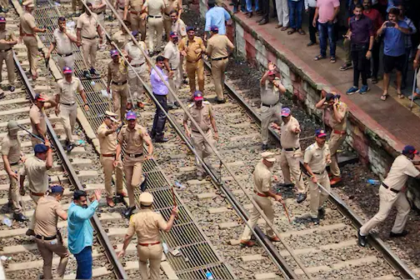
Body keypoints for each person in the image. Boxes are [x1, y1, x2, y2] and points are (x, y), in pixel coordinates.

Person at [358, 146, 420, 247]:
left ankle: (396, 231)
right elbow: (418, 175)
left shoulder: (400, 158)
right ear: (408, 154)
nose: (414, 155)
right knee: (381, 216)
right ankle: (362, 232)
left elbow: (410, 164)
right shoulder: (406, 164)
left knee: (405, 208)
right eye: (413, 154)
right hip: (389, 192)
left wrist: (417, 163)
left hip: (396, 191)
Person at [118, 192, 178, 280]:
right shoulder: (156, 216)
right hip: (156, 247)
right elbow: (167, 228)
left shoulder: (134, 217)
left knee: (142, 262)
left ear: (140, 203)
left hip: (142, 247)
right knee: (155, 271)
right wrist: (172, 215)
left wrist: (123, 249)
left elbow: (128, 235)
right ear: (151, 204)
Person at [239, 152, 282, 247]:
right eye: (270, 162)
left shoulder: (259, 164)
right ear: (265, 160)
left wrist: (271, 178)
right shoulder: (266, 174)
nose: (272, 164)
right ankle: (270, 234)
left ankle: (245, 238)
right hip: (263, 198)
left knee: (253, 217)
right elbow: (265, 190)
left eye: (272, 162)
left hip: (256, 194)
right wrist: (275, 196)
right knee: (270, 216)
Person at [116, 111, 154, 218]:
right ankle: (132, 205)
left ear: (136, 120)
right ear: (127, 120)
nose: (132, 122)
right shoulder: (123, 130)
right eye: (130, 120)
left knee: (134, 183)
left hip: (138, 159)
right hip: (127, 158)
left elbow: (149, 143)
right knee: (128, 184)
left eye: (133, 120)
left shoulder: (140, 130)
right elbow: (119, 143)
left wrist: (149, 154)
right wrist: (116, 157)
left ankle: (142, 178)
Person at [34, 185, 69, 280]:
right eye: (61, 196)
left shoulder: (41, 200)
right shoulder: (56, 204)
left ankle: (47, 278)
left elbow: (45, 193)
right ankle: (58, 277)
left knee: (47, 262)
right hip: (51, 241)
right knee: (65, 255)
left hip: (38, 239)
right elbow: (64, 216)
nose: (61, 198)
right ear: (57, 195)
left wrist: (52, 187)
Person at [271, 108, 305, 203]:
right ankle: (288, 182)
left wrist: (296, 130)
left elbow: (295, 129)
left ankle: (302, 191)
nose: (284, 118)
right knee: (283, 164)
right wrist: (278, 127)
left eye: (285, 116)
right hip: (285, 150)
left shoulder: (293, 123)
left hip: (292, 151)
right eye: (283, 116)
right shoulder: (284, 122)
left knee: (296, 171)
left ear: (290, 115)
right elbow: (285, 130)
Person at [376, 8, 411, 101]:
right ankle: (385, 91)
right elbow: (377, 34)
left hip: (400, 53)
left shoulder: (403, 23)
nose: (391, 18)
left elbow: (409, 32)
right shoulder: (386, 24)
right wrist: (382, 28)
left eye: (393, 16)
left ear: (397, 16)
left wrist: (398, 27)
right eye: (389, 16)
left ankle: (398, 90)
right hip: (388, 53)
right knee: (386, 73)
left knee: (399, 72)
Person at [183, 92, 219, 181]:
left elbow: (212, 118)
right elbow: (184, 121)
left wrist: (215, 131)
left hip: (207, 132)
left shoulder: (207, 105)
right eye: (197, 101)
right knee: (198, 153)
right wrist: (187, 130)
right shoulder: (189, 108)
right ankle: (199, 172)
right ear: (194, 100)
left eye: (200, 101)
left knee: (210, 150)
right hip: (196, 134)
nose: (199, 103)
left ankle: (201, 159)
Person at [19, 141, 53, 236]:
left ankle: (31, 229)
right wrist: (49, 149)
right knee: (45, 213)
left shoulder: (29, 160)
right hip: (40, 194)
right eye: (44, 154)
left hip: (33, 192)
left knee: (39, 209)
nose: (46, 156)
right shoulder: (38, 165)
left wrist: (21, 187)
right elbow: (49, 165)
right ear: (39, 154)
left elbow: (21, 174)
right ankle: (44, 232)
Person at [68, 189, 101, 280]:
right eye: (83, 201)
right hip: (82, 246)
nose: (85, 203)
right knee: (86, 275)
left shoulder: (73, 207)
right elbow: (85, 215)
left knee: (81, 272)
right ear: (75, 201)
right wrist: (96, 201)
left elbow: (85, 211)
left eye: (85, 200)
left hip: (79, 245)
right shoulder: (76, 211)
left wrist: (91, 202)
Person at [315, 92, 348, 185]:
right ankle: (333, 171)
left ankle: (337, 176)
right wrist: (325, 99)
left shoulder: (342, 106)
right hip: (334, 132)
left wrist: (334, 106)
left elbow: (339, 119)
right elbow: (317, 106)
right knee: (332, 153)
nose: (328, 104)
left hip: (339, 134)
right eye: (328, 102)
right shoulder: (329, 103)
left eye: (330, 102)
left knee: (329, 153)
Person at [56, 67, 89, 152]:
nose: (68, 75)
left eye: (69, 73)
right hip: (64, 106)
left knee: (72, 125)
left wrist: (85, 103)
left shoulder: (76, 81)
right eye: (66, 73)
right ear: (64, 73)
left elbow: (81, 91)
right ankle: (71, 142)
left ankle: (68, 138)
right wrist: (56, 107)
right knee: (67, 126)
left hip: (73, 106)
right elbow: (57, 96)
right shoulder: (60, 83)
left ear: (72, 73)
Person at [345, 4, 374, 95]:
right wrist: (349, 36)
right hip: (354, 45)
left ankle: (365, 85)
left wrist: (370, 50)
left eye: (360, 11)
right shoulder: (351, 20)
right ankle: (355, 86)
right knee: (356, 66)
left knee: (362, 67)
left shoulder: (367, 21)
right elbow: (351, 30)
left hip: (363, 46)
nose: (358, 13)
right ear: (353, 11)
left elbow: (372, 36)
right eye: (356, 11)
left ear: (363, 11)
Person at [97, 111, 125, 207]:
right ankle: (109, 196)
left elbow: (117, 144)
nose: (113, 122)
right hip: (107, 157)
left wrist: (117, 158)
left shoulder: (112, 128)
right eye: (111, 120)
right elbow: (104, 133)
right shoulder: (102, 128)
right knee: (108, 178)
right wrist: (113, 130)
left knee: (120, 172)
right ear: (106, 119)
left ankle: (119, 190)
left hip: (115, 155)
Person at [303, 129, 331, 224]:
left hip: (324, 173)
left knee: (326, 192)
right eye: (321, 137)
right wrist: (312, 175)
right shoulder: (310, 150)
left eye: (324, 137)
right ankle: (314, 214)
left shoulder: (326, 146)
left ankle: (318, 207)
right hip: (314, 175)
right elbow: (306, 164)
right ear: (316, 138)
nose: (323, 139)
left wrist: (328, 159)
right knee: (315, 196)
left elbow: (327, 155)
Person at [1, 121, 27, 221]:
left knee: (13, 186)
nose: (15, 132)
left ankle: (11, 201)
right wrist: (10, 171)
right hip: (12, 166)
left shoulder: (16, 137)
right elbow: (5, 157)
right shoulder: (6, 141)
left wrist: (21, 155)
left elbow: (17, 148)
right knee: (15, 188)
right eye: (14, 130)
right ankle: (17, 211)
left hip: (17, 163)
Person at [260, 62, 286, 151]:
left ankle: (284, 140)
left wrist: (278, 85)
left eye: (273, 75)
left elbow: (283, 90)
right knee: (264, 125)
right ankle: (264, 142)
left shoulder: (277, 81)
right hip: (266, 107)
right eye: (270, 76)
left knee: (283, 121)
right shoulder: (264, 83)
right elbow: (262, 81)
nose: (272, 77)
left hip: (276, 105)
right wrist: (269, 71)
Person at [206, 26, 235, 103]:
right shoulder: (224, 37)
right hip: (225, 59)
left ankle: (220, 97)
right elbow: (232, 46)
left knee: (217, 79)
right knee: (222, 76)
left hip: (216, 61)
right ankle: (222, 91)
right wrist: (228, 53)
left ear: (211, 32)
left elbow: (208, 52)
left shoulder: (210, 41)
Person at [20, 0, 46, 80]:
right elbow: (33, 28)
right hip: (31, 37)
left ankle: (31, 69)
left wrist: (21, 35)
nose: (32, 8)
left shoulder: (22, 15)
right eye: (31, 7)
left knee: (29, 53)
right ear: (28, 8)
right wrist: (42, 30)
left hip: (25, 37)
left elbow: (20, 27)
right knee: (34, 55)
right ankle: (34, 71)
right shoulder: (29, 17)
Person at [76, 2, 103, 79]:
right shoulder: (81, 17)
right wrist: (78, 40)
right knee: (85, 56)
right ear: (85, 8)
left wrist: (101, 36)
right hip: (85, 39)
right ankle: (85, 70)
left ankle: (92, 69)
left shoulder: (95, 16)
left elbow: (98, 27)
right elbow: (78, 30)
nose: (90, 9)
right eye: (88, 8)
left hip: (94, 39)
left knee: (93, 55)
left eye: (91, 8)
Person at [125, 30, 150, 109]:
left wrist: (149, 65)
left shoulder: (142, 44)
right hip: (132, 66)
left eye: (137, 36)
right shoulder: (128, 45)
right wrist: (127, 57)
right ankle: (129, 101)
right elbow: (124, 54)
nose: (136, 38)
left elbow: (146, 55)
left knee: (140, 84)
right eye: (135, 36)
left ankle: (139, 100)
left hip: (141, 65)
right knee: (131, 85)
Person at [179, 27, 205, 98]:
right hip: (189, 62)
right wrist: (182, 52)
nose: (191, 34)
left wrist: (200, 50)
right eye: (189, 33)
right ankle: (193, 94)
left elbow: (203, 48)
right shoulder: (183, 41)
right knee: (191, 79)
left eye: (192, 32)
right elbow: (180, 49)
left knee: (201, 78)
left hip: (198, 61)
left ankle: (201, 92)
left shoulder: (198, 39)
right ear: (187, 33)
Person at [150, 56, 170, 142]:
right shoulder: (155, 71)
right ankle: (159, 134)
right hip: (159, 95)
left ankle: (154, 132)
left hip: (161, 94)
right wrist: (168, 76)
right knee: (162, 114)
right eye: (161, 63)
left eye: (163, 63)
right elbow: (159, 79)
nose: (162, 65)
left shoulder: (159, 70)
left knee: (159, 113)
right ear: (157, 63)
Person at [363, 0, 383, 84]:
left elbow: (381, 25)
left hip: (374, 38)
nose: (366, 4)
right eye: (364, 2)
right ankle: (367, 73)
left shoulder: (376, 12)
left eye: (368, 2)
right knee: (365, 57)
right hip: (364, 39)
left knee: (375, 57)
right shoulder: (361, 12)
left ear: (371, 3)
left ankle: (374, 75)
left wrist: (378, 35)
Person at [397, 4, 416, 90]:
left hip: (405, 46)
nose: (399, 11)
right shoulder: (394, 20)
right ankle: (398, 80)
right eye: (398, 10)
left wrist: (405, 29)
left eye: (401, 9)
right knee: (397, 65)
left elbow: (414, 30)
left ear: (404, 11)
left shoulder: (408, 21)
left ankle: (403, 82)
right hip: (396, 46)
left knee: (404, 66)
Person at [107, 50, 130, 121]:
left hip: (124, 85)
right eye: (114, 56)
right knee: (116, 105)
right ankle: (118, 121)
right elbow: (109, 75)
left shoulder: (123, 61)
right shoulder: (110, 65)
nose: (116, 58)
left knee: (124, 104)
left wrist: (127, 56)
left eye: (116, 56)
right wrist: (108, 85)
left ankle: (122, 119)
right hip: (115, 86)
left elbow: (130, 61)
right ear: (111, 57)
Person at [163, 31, 181, 109]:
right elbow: (165, 60)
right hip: (171, 70)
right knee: (170, 87)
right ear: (170, 38)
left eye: (176, 37)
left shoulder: (175, 45)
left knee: (176, 86)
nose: (175, 39)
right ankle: (170, 102)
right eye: (174, 38)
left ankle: (174, 100)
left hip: (176, 69)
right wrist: (169, 70)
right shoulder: (169, 47)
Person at [0, 17, 17, 92]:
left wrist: (7, 42)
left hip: (8, 51)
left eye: (3, 23)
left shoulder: (9, 32)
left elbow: (15, 41)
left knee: (10, 68)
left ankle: (12, 84)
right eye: (1, 23)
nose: (2, 24)